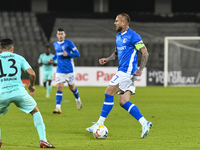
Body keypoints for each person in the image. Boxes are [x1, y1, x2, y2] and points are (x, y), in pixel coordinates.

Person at [86, 13, 153, 138]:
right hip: (126, 73)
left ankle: (99, 123)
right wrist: (107, 59)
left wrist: (141, 69)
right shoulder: (118, 36)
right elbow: (116, 54)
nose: (114, 23)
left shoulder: (133, 36)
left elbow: (145, 52)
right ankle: (144, 122)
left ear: (124, 23)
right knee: (123, 101)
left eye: (117, 21)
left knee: (108, 93)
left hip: (126, 72)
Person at [0, 39, 55, 148]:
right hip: (19, 92)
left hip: (2, 93)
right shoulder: (19, 57)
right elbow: (32, 73)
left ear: (0, 49)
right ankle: (43, 140)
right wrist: (31, 85)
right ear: (12, 48)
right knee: (35, 111)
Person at [49, 28, 82, 114]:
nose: (60, 35)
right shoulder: (55, 44)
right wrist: (53, 59)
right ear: (57, 35)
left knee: (72, 88)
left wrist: (68, 54)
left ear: (64, 35)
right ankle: (58, 108)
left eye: (62, 33)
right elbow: (57, 53)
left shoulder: (69, 43)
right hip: (60, 70)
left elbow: (77, 54)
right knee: (59, 87)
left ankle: (78, 100)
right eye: (59, 34)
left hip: (69, 70)